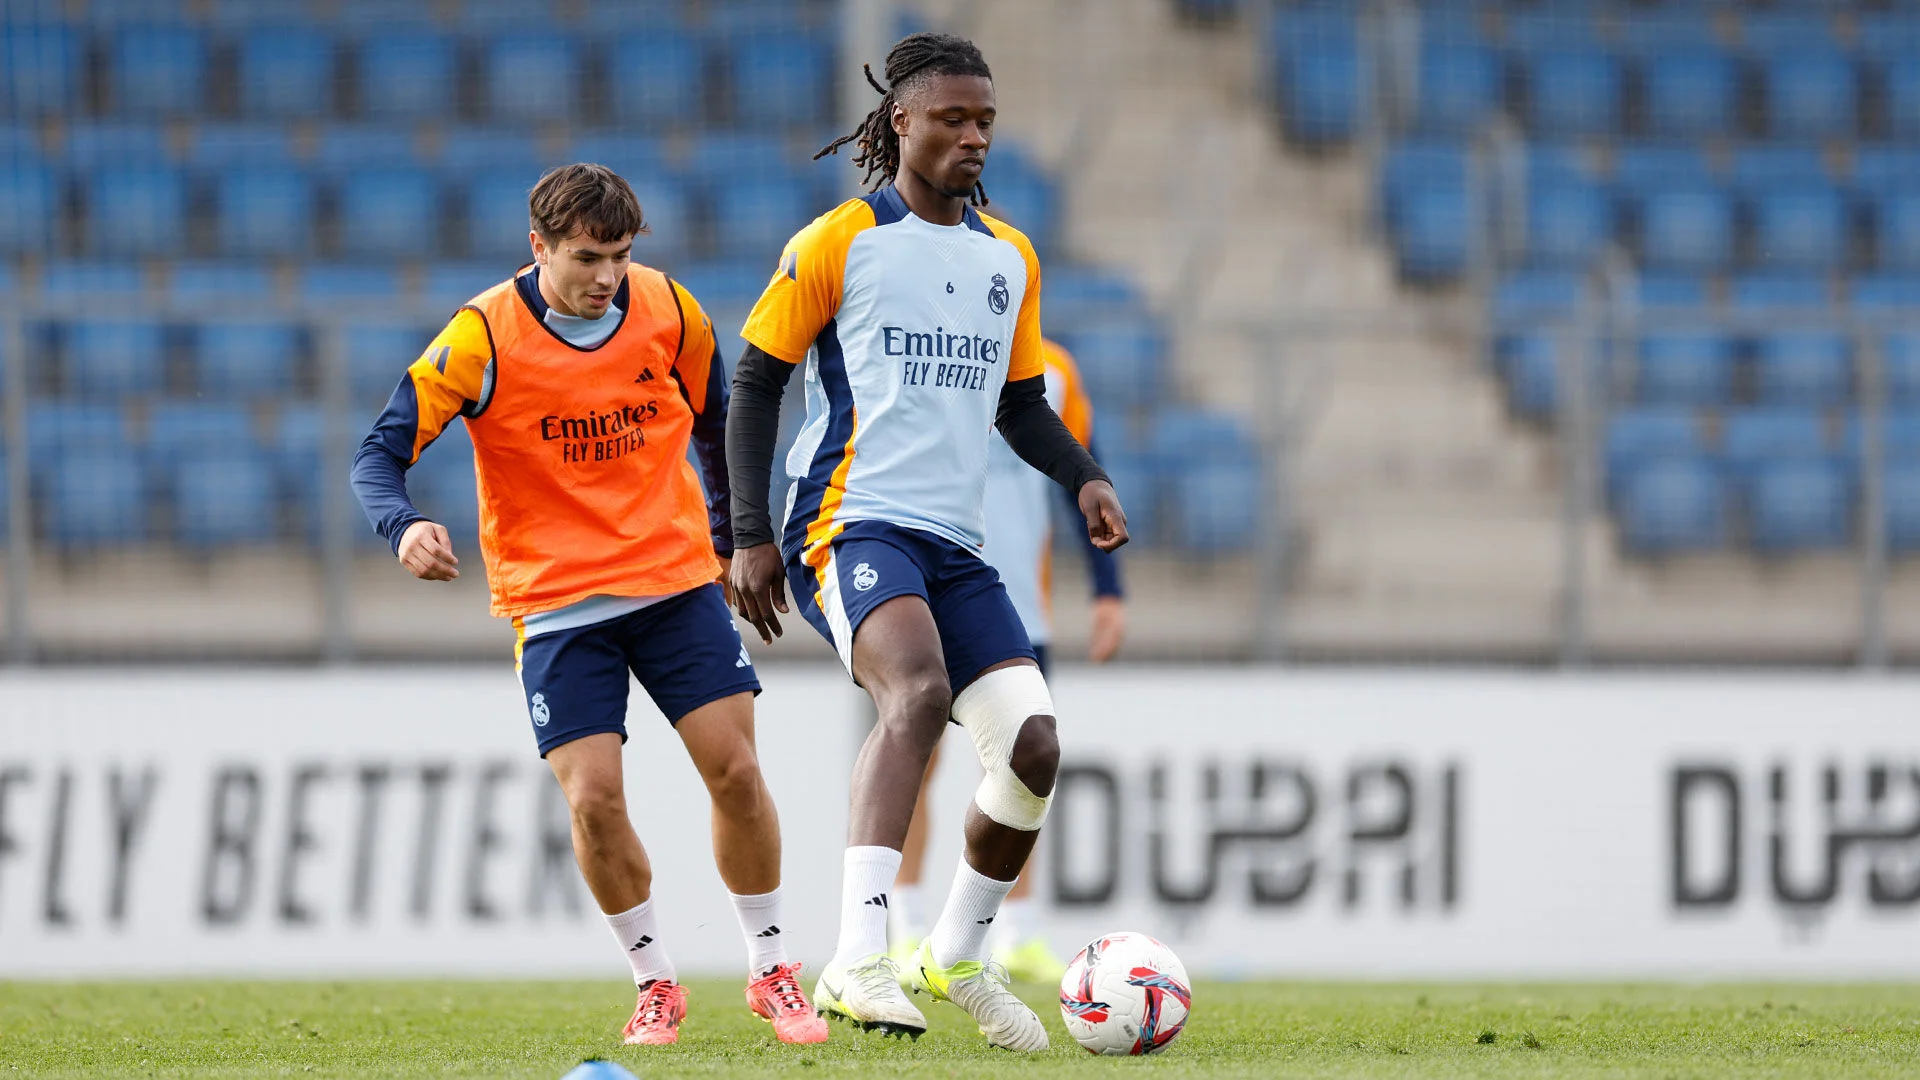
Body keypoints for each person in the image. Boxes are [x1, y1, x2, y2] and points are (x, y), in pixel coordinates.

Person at [350, 163, 827, 1048]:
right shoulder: (480, 336)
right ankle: (656, 985)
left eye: (619, 255)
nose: (606, 276)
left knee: (735, 771)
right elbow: (377, 455)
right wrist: (403, 527)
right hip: (557, 600)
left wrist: (731, 540)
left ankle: (770, 969)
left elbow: (720, 424)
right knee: (595, 802)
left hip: (673, 581)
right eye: (585, 257)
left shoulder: (672, 310)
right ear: (538, 248)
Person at [725, 33, 1128, 1052]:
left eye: (985, 120)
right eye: (952, 118)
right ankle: (857, 956)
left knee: (1035, 748)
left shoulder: (1009, 258)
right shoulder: (839, 241)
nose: (972, 137)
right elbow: (756, 379)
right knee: (918, 692)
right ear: (900, 121)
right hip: (848, 522)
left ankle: (954, 951)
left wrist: (1084, 478)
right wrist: (749, 534)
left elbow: (1022, 405)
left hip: (956, 542)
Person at [890, 337, 1126, 986]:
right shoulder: (923, 349)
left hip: (1021, 602)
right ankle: (904, 926)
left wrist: (1108, 589)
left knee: (1025, 767)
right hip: (921, 592)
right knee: (913, 759)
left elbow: (1084, 469)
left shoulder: (1054, 368)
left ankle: (1016, 932)